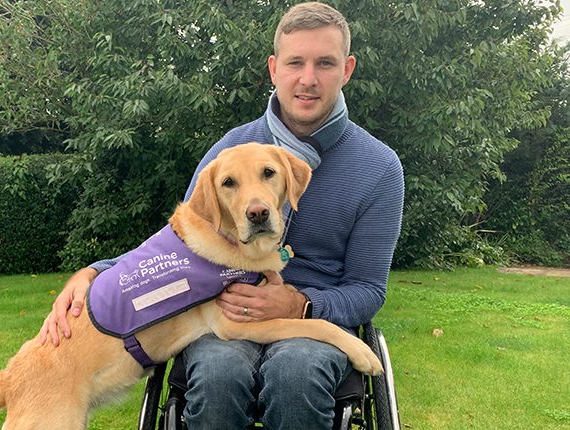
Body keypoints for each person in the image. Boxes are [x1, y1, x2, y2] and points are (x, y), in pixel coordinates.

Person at [39, 2, 404, 428]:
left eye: (325, 63)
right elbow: (181, 238)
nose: (308, 78)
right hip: (221, 310)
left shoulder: (379, 167)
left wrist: (301, 304)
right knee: (216, 375)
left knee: (295, 374)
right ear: (273, 69)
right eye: (295, 63)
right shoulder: (231, 150)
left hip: (310, 319)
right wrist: (94, 273)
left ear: (347, 69)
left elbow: (367, 289)